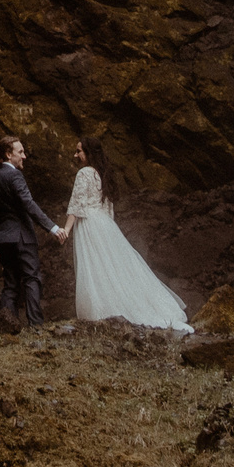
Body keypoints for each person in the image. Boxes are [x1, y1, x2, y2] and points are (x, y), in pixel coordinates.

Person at [65, 138, 191, 331]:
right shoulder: (102, 174)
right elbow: (107, 207)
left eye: (78, 151)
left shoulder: (84, 173)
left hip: (89, 223)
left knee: (96, 268)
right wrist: (109, 229)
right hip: (104, 223)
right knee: (113, 267)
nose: (75, 155)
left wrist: (66, 229)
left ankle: (101, 312)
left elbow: (77, 203)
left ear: (89, 153)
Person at [0, 135, 66, 330]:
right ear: (9, 155)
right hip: (22, 238)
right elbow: (28, 204)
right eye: (21, 152)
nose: (24, 156)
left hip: (4, 240)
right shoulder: (15, 176)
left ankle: (7, 328)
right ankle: (36, 325)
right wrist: (53, 227)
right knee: (31, 278)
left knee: (10, 284)